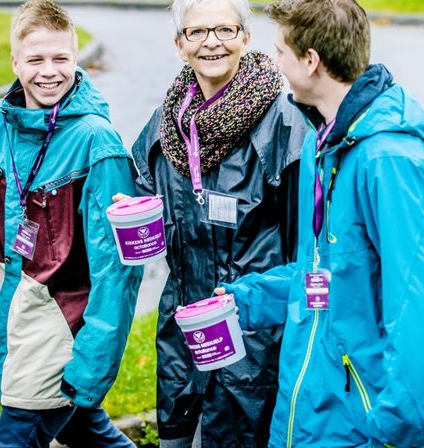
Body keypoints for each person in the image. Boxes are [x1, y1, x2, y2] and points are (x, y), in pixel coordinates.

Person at [215, 0, 424, 446]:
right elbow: (332, 276)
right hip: (310, 413)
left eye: (280, 51)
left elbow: (423, 311)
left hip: (366, 425)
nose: (273, 63)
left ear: (310, 60)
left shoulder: (389, 160)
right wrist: (244, 301)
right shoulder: (323, 143)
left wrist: (397, 433)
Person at [0, 0, 141, 446]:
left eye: (61, 58)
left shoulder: (97, 141)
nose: (49, 71)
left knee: (18, 433)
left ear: (77, 58)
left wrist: (94, 357)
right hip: (14, 306)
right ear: (15, 61)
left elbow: (119, 266)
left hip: (63, 322)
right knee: (84, 430)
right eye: (35, 59)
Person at [120, 0, 307, 445]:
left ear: (245, 37)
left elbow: (307, 250)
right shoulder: (166, 126)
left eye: (224, 29)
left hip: (256, 336)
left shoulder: (282, 124)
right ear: (180, 45)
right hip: (183, 331)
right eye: (197, 32)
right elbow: (142, 197)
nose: (211, 43)